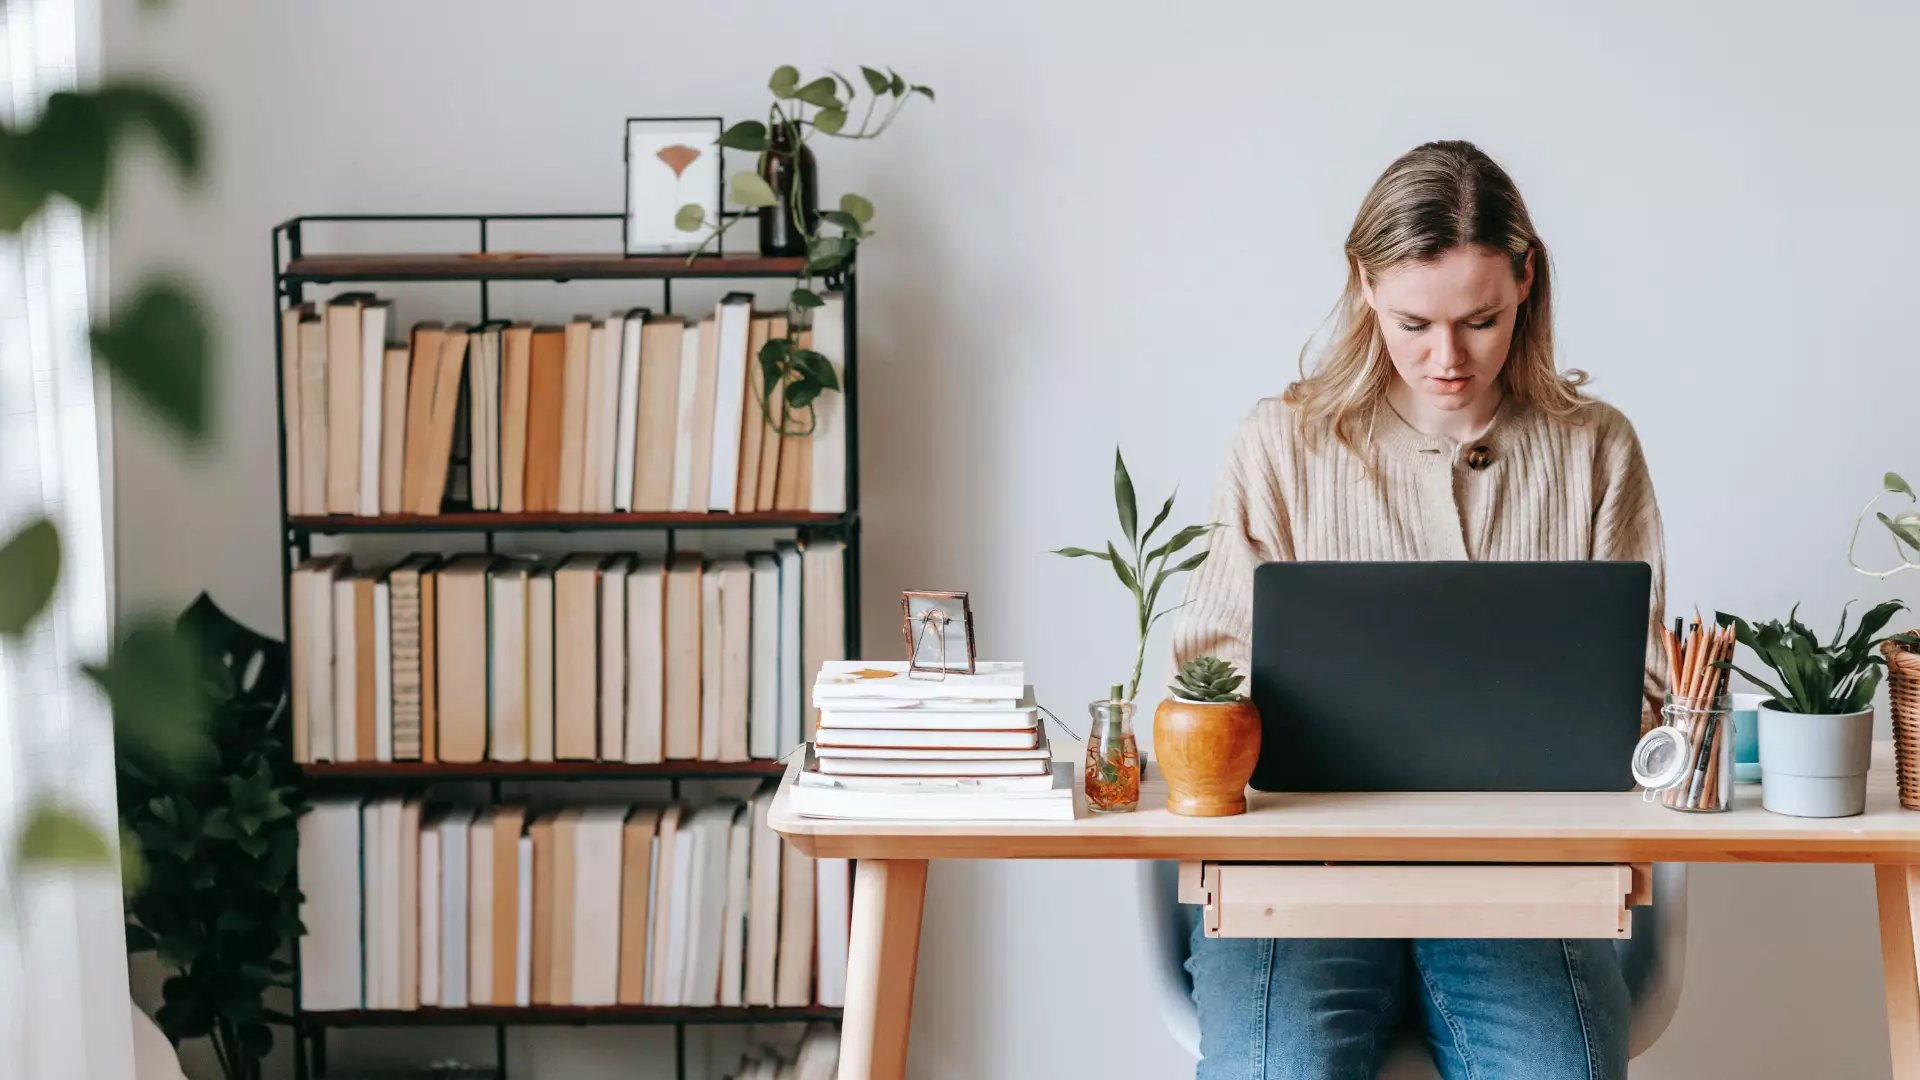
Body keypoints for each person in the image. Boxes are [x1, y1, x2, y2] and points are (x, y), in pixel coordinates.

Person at [1168, 140, 1667, 1080]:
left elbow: (1640, 696)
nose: (1449, 359)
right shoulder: (1280, 443)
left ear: (1527, 278)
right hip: (1297, 886)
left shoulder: (1596, 449)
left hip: (1526, 888)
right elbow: (1209, 669)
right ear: (1362, 284)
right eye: (1414, 323)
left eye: (1482, 320)